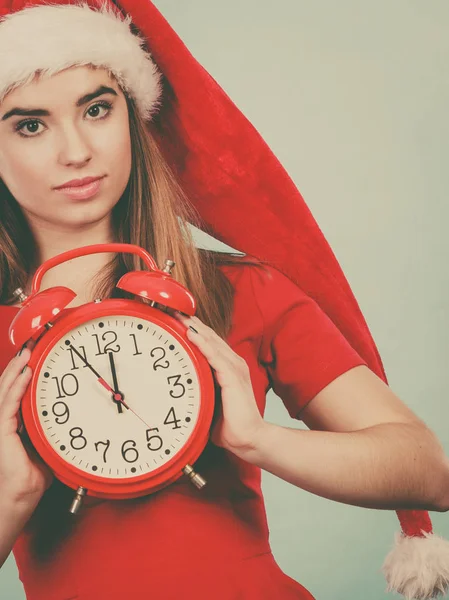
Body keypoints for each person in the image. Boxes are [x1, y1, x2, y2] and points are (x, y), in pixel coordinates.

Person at [0, 2, 448, 599]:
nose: (76, 151)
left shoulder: (240, 291)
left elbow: (429, 472)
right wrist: (12, 495)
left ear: (132, 117)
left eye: (97, 108)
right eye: (30, 124)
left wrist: (255, 440)